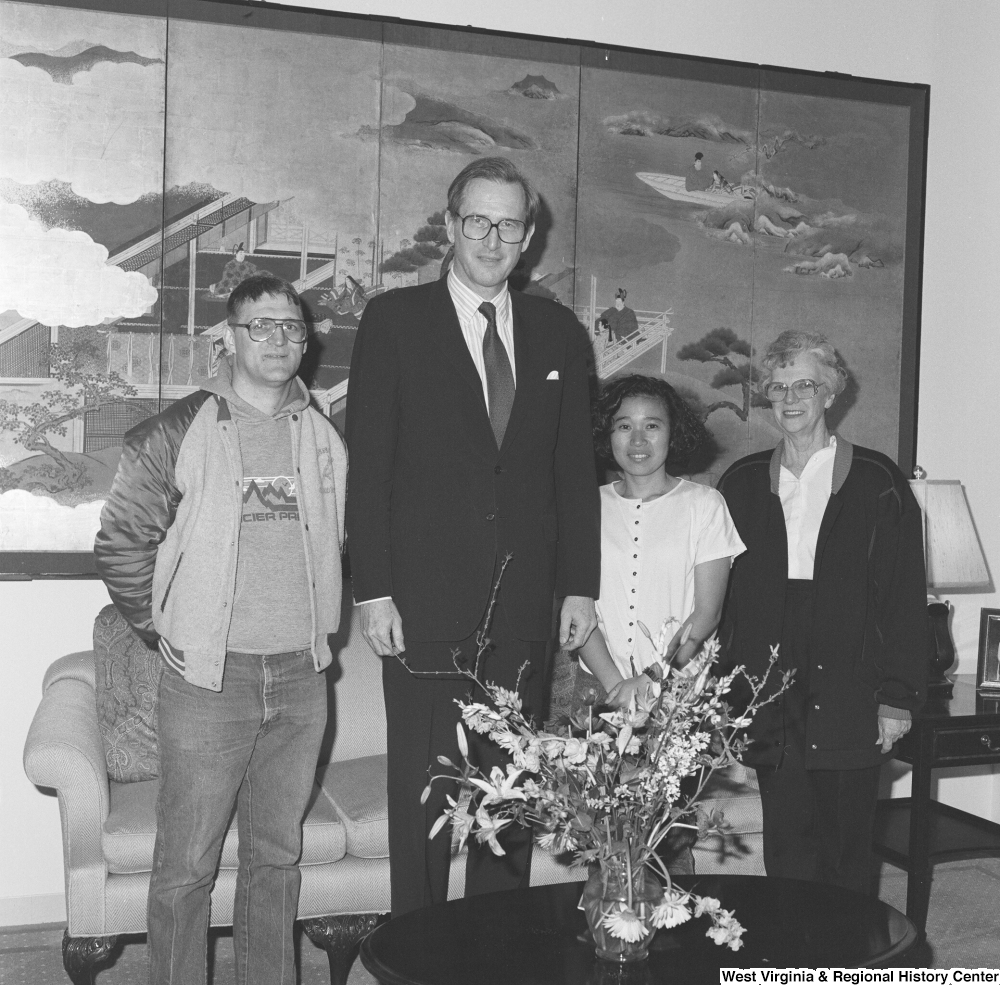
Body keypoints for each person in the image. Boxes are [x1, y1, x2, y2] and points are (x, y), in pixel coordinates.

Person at [345, 156, 600, 916]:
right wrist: (375, 588)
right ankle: (417, 950)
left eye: (510, 224)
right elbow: (371, 468)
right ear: (451, 226)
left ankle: (495, 948)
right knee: (423, 796)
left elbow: (572, 472)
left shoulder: (557, 332)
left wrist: (579, 582)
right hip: (421, 604)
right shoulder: (393, 321)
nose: (494, 237)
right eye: (478, 220)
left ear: (529, 236)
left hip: (523, 603)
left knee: (510, 797)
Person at [94, 274, 348, 985]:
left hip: (301, 678)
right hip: (210, 681)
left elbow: (339, 541)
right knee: (186, 868)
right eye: (260, 326)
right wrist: (158, 625)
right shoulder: (175, 430)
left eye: (291, 327)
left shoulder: (323, 436)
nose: (279, 339)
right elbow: (121, 542)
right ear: (226, 339)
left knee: (277, 859)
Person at [717, 329, 927, 895]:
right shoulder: (738, 483)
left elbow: (905, 598)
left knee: (845, 854)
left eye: (805, 384)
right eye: (778, 386)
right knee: (787, 847)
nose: (790, 398)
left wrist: (897, 696)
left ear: (831, 393)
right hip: (770, 687)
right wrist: (727, 695)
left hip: (851, 689)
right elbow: (725, 602)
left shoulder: (879, 481)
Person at [575, 374, 745, 708]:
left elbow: (707, 614)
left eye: (652, 426)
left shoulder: (705, 504)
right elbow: (578, 610)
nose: (637, 441)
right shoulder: (584, 507)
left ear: (673, 433)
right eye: (624, 427)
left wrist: (651, 678)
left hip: (677, 688)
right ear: (606, 434)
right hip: (598, 689)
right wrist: (619, 688)